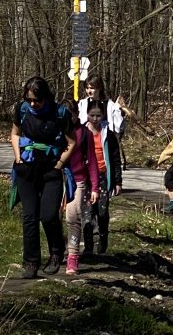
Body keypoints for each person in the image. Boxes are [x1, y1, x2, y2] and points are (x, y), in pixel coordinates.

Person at [11, 76, 75, 279]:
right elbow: (14, 133)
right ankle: (31, 263)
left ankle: (56, 253)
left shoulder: (59, 114)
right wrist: (18, 156)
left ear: (46, 97)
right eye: (29, 99)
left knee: (47, 215)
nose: (32, 104)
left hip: (50, 170)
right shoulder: (21, 110)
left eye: (36, 100)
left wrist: (59, 163)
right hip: (26, 169)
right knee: (29, 217)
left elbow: (71, 142)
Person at [62, 99, 100, 275]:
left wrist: (95, 187)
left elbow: (92, 160)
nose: (70, 118)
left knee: (73, 216)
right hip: (57, 178)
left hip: (78, 179)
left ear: (77, 114)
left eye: (72, 114)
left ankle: (73, 257)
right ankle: (57, 250)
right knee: (52, 218)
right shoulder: (56, 130)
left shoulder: (84, 133)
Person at [83, 99, 123, 255]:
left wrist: (118, 182)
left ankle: (103, 237)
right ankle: (88, 246)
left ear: (103, 116)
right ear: (87, 115)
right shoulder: (82, 133)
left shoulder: (109, 135)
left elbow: (115, 159)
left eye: (98, 115)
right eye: (92, 115)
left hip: (103, 176)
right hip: (86, 178)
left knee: (101, 210)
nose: (95, 119)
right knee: (87, 212)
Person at [78, 75, 126, 169]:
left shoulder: (110, 105)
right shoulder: (82, 104)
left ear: (99, 88)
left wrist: (119, 111)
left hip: (104, 145)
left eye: (92, 88)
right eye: (87, 88)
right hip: (87, 144)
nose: (89, 91)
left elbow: (118, 127)